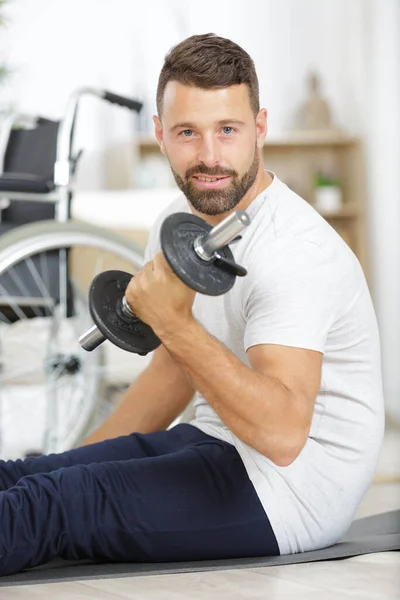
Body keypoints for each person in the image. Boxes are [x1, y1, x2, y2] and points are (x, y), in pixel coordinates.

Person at [0, 33, 384, 576]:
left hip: (291, 491)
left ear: (260, 128)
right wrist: (67, 466)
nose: (209, 156)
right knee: (22, 479)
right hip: (215, 443)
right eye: (187, 132)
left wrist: (171, 321)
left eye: (228, 130)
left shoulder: (296, 250)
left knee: (46, 509)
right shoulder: (172, 227)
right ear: (159, 134)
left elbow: (282, 435)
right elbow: (170, 375)